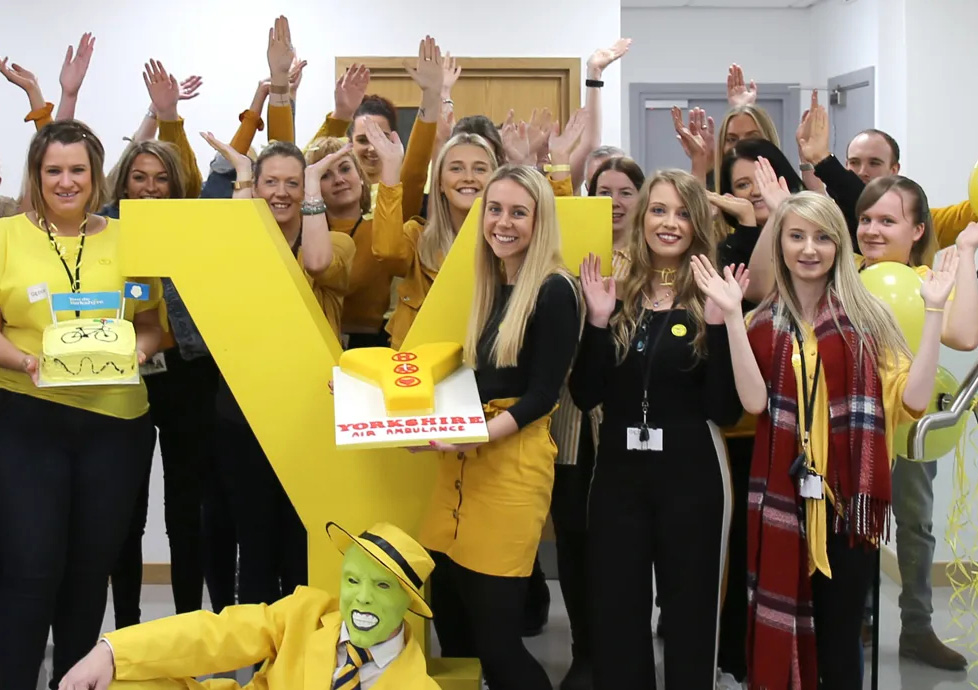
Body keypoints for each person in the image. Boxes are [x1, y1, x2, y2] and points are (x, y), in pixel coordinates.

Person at [693, 192, 953, 690]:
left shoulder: (869, 322)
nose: (809, 249)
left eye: (822, 237)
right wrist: (729, 317)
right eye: (796, 236)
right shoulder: (761, 323)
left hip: (845, 510)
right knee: (780, 624)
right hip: (781, 505)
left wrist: (935, 312)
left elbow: (915, 398)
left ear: (838, 244)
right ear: (782, 245)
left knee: (838, 641)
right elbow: (752, 402)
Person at [0, 120, 164, 689]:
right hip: (28, 419)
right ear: (37, 175)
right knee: (29, 568)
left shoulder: (129, 239)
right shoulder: (5, 238)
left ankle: (73, 682)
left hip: (114, 426)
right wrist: (26, 363)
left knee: (89, 571)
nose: (65, 182)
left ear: (95, 177)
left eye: (77, 171)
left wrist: (137, 355)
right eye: (53, 171)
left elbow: (149, 325)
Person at [569, 169, 743, 689]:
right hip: (620, 476)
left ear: (699, 225)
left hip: (692, 475)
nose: (669, 223)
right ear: (642, 217)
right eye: (659, 210)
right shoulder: (615, 293)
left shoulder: (714, 294)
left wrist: (719, 322)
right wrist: (597, 323)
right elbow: (585, 394)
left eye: (683, 212)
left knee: (690, 611)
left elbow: (726, 409)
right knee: (618, 609)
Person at [416, 164, 581, 690]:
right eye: (495, 209)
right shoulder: (493, 284)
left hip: (510, 467)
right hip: (463, 465)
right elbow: (479, 383)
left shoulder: (555, 290)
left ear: (540, 220)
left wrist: (478, 435)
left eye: (518, 212)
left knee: (498, 644)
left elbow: (542, 395)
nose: (502, 223)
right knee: (454, 627)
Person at [200, 72, 355, 609]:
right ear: (256, 188)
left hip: (312, 413)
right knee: (255, 544)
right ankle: (260, 661)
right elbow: (246, 259)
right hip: (243, 413)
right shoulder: (235, 243)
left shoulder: (334, 241)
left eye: (294, 182)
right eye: (272, 182)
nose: (282, 192)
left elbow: (314, 262)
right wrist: (242, 175)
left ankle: (301, 656)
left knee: (303, 541)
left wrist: (313, 188)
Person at [59, 521, 441, 690]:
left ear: (408, 600)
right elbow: (216, 634)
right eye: (353, 580)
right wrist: (111, 651)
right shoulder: (305, 613)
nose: (361, 598)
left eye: (381, 586)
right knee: (115, 683)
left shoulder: (417, 685)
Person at [106, 58, 215, 629]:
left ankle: (186, 629)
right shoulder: (105, 224)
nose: (150, 188)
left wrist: (169, 120)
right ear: (124, 183)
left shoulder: (193, 226)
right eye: (139, 178)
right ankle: (124, 631)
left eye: (161, 178)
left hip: (187, 378)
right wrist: (152, 115)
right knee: (125, 511)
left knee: (185, 511)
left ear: (177, 184)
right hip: (120, 374)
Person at [797, 95, 976, 248]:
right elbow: (824, 196)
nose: (862, 171)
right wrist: (809, 160)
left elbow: (972, 212)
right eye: (854, 162)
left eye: (874, 163)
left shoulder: (920, 221)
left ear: (894, 170)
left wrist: (822, 160)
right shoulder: (835, 217)